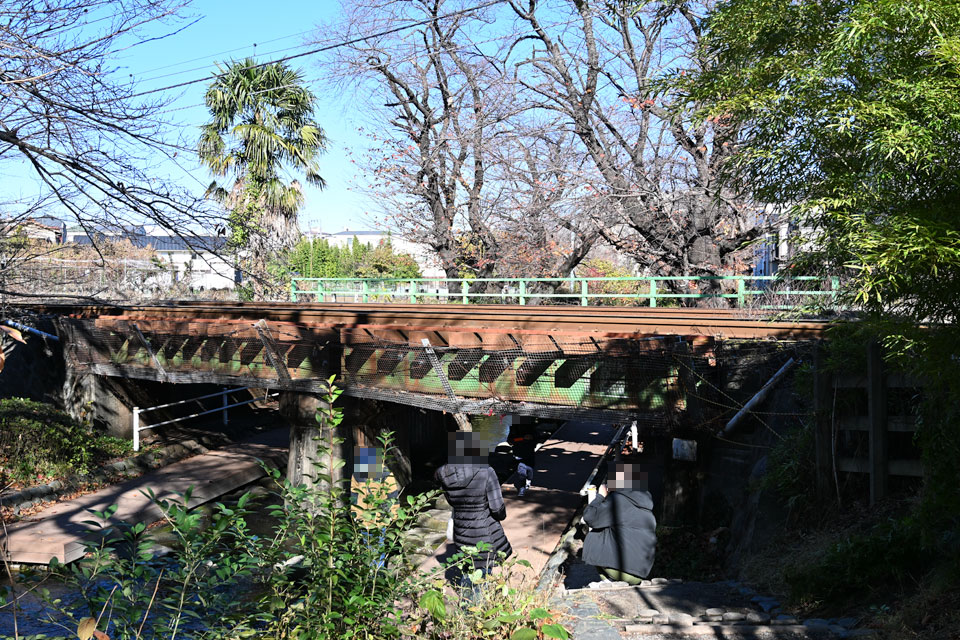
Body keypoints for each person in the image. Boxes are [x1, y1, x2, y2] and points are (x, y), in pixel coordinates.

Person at [434, 432, 512, 592]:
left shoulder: (443, 474)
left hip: (461, 531)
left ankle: (467, 607)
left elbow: (451, 502)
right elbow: (498, 509)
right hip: (484, 532)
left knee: (468, 567)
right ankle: (475, 612)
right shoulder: (486, 472)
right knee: (482, 573)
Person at [581, 462, 657, 585]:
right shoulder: (647, 508)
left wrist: (600, 496)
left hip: (620, 570)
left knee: (596, 531)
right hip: (640, 573)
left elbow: (589, 517)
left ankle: (608, 582)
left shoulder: (618, 500)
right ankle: (617, 581)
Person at [508, 422, 537, 496]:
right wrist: (522, 438)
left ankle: (528, 480)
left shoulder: (531, 427)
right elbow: (510, 441)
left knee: (529, 471)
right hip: (519, 455)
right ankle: (522, 488)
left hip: (529, 455)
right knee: (522, 472)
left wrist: (531, 439)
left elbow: (536, 439)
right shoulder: (514, 427)